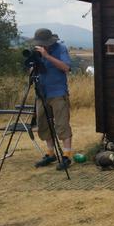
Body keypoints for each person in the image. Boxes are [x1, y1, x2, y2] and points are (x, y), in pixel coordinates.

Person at [28, 28, 74, 170]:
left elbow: (66, 67)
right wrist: (32, 65)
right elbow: (30, 72)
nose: (42, 45)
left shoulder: (61, 49)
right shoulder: (36, 51)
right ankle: (50, 153)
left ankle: (67, 155)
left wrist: (47, 56)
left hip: (58, 92)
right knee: (43, 124)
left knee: (62, 124)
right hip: (42, 93)